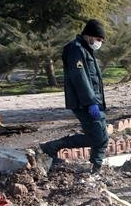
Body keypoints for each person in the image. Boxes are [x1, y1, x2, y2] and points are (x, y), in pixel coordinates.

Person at [39, 19, 108, 174]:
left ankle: (95, 167)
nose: (99, 43)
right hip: (84, 103)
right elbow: (80, 78)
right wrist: (90, 102)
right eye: (98, 39)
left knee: (100, 137)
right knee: (99, 138)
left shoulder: (85, 49)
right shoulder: (75, 49)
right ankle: (54, 147)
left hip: (94, 102)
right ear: (89, 36)